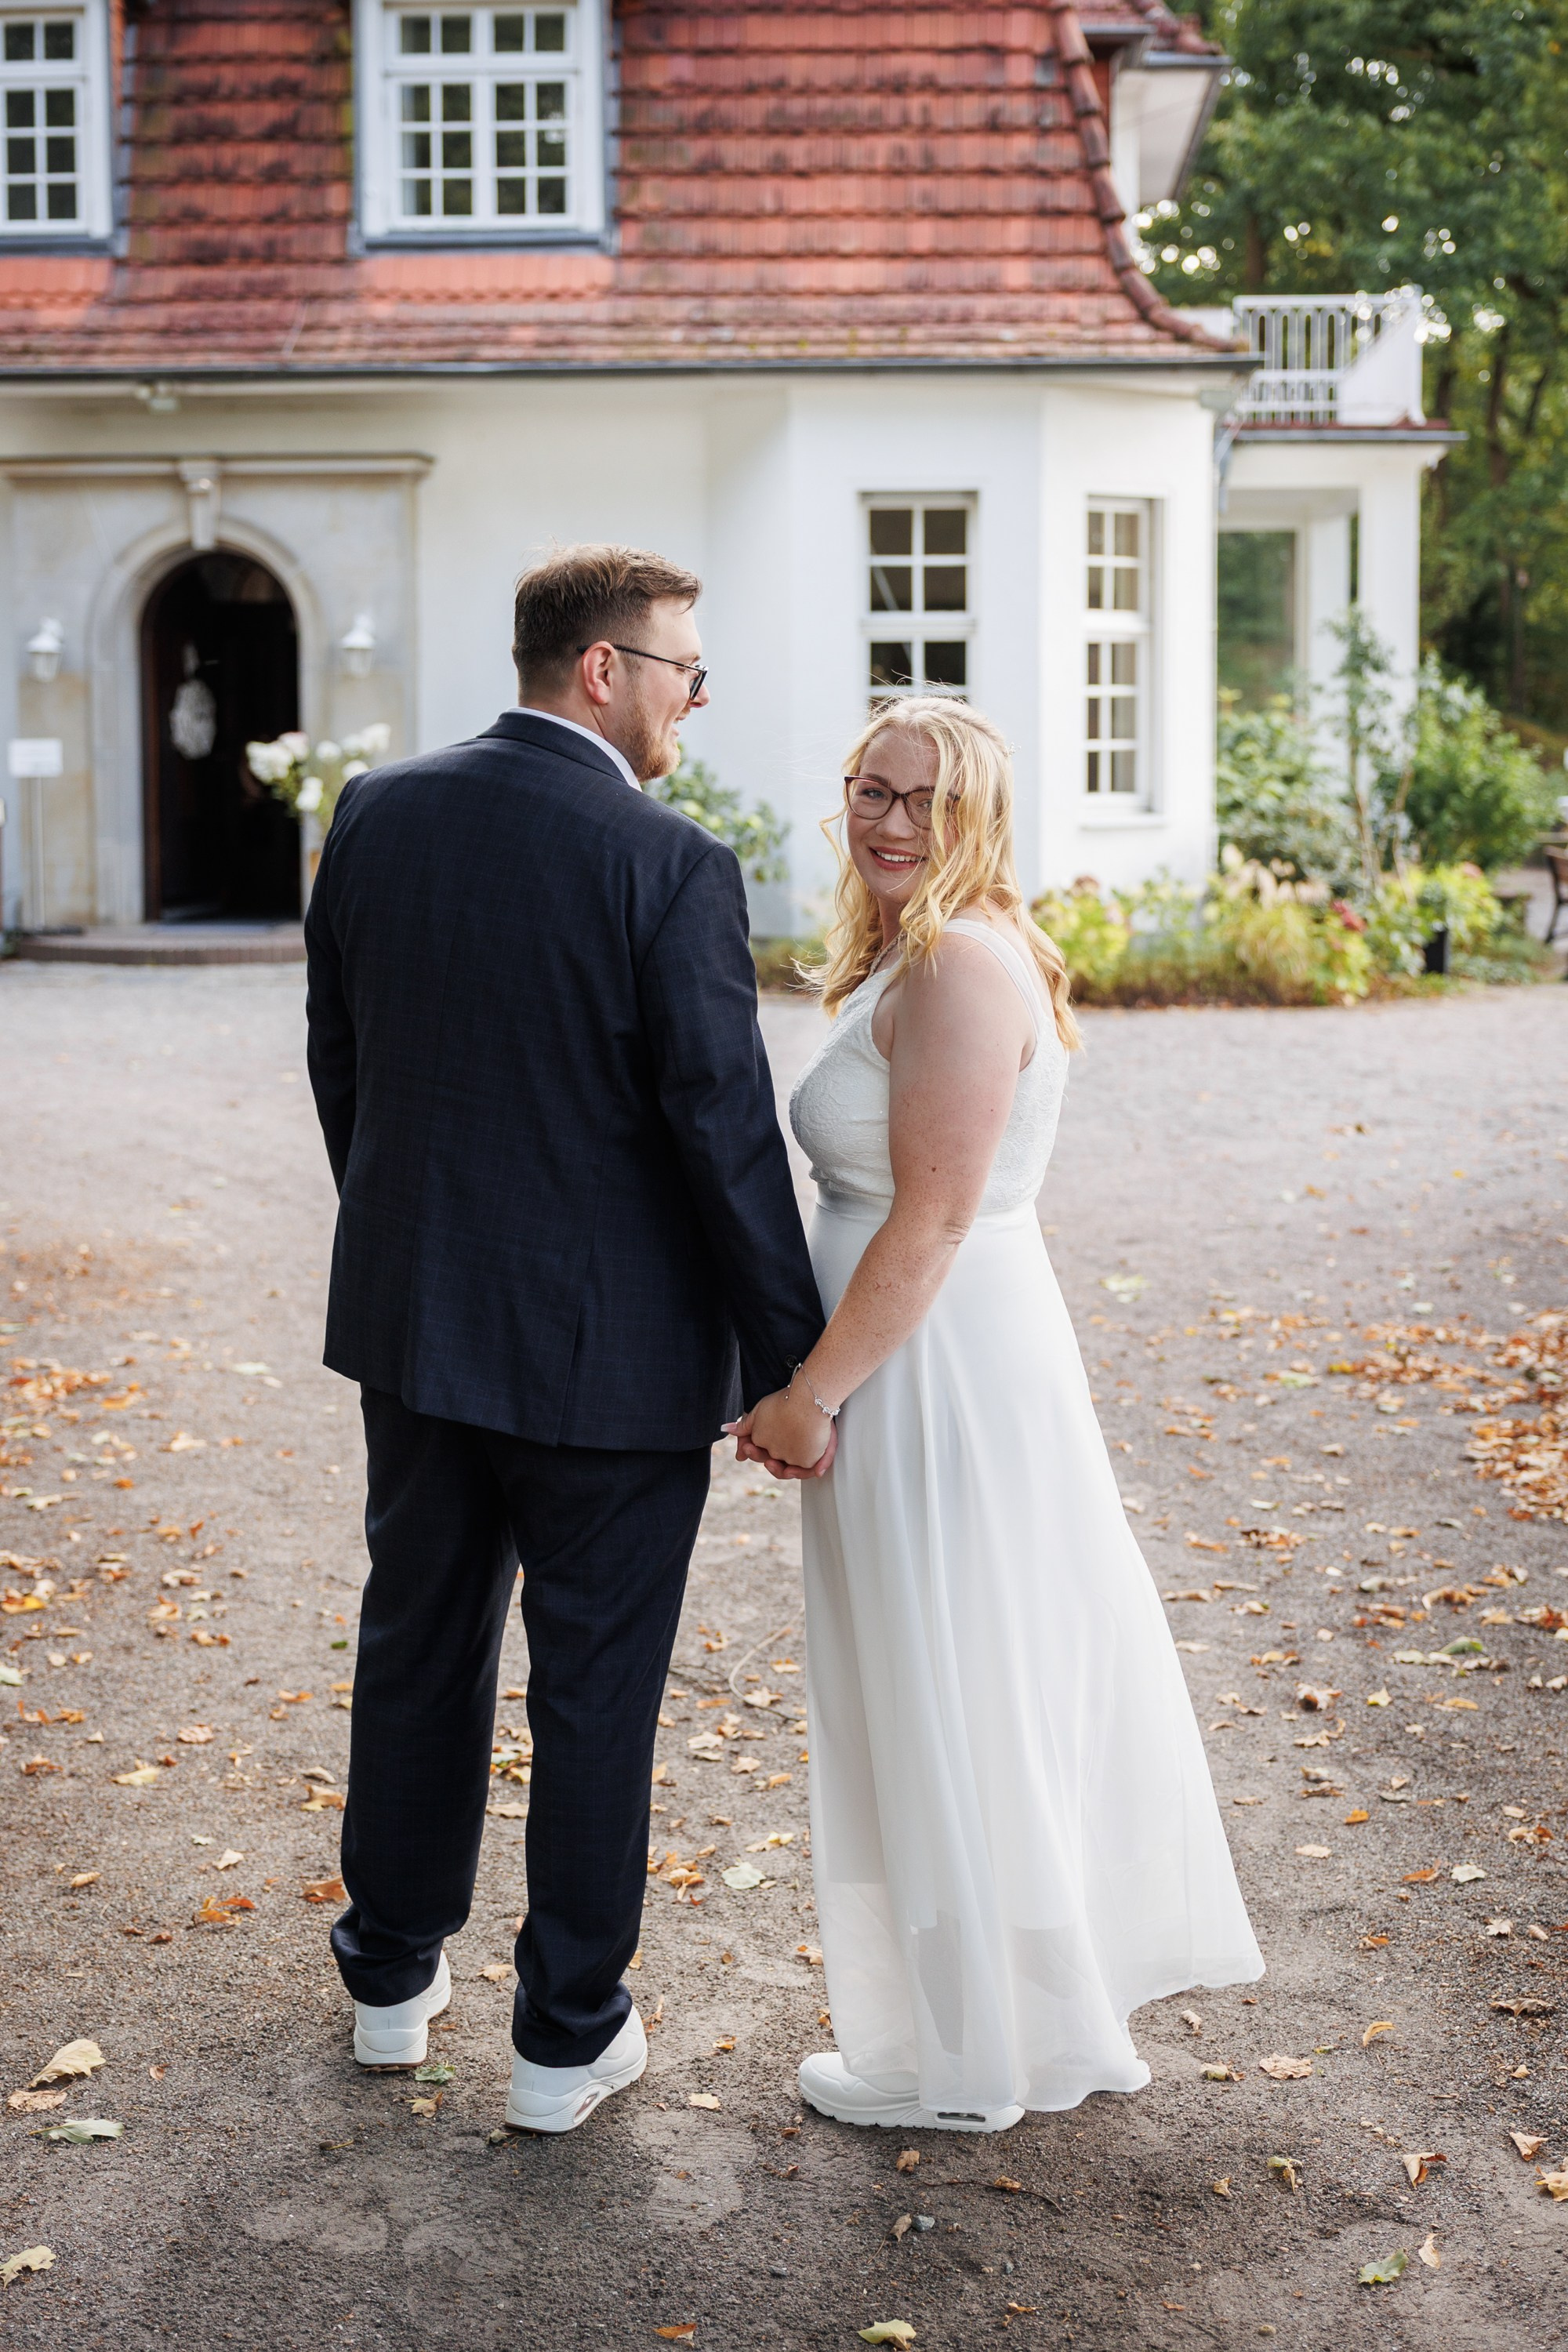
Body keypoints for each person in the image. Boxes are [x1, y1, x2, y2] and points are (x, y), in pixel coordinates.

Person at [304, 545, 828, 2135]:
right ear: (602, 669)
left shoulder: (376, 816)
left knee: (417, 1646)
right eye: (683, 670)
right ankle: (560, 2043)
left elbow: (344, 1070)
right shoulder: (668, 862)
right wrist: (793, 1364)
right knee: (594, 1693)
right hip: (610, 1366)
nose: (694, 701)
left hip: (419, 1326)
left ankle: (389, 1984)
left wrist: (415, 1249)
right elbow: (722, 1138)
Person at [731, 697, 1263, 2131]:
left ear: (976, 815)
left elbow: (935, 1221)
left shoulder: (964, 965)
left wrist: (809, 1394)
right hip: (936, 1355)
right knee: (954, 1672)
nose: (889, 822)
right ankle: (999, 2030)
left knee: (950, 1678)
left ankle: (969, 2063)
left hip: (932, 1369)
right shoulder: (937, 950)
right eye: (869, 791)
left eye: (922, 800)